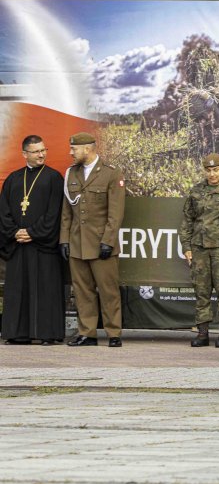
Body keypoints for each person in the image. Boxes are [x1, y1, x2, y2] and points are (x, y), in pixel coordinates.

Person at [60, 132, 126, 348]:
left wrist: (108, 241)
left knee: (108, 291)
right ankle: (87, 333)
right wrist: (64, 240)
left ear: (87, 149)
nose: (71, 152)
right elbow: (66, 212)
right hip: (77, 243)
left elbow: (115, 213)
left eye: (74, 149)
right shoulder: (71, 173)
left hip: (101, 244)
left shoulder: (111, 173)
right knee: (82, 291)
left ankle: (113, 333)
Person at [0, 135, 66, 345]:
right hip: (18, 246)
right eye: (36, 151)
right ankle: (18, 334)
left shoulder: (54, 178)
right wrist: (14, 232)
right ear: (25, 154)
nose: (41, 154)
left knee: (45, 290)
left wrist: (33, 232)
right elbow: (3, 211)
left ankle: (47, 334)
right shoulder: (13, 179)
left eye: (43, 150)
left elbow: (55, 213)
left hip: (43, 247)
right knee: (18, 291)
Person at [179, 153, 219, 348]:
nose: (212, 174)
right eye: (209, 170)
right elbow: (187, 220)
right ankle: (202, 333)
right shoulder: (196, 191)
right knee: (201, 291)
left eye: (216, 170)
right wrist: (186, 247)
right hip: (199, 248)